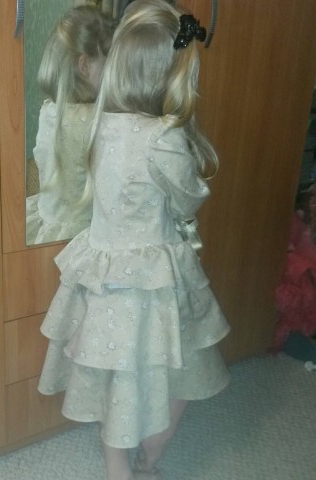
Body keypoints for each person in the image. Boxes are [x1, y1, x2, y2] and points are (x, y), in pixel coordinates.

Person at [37, 1, 230, 479]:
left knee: (118, 378)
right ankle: (150, 457)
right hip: (153, 279)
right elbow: (187, 200)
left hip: (105, 278)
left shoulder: (98, 122)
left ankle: (118, 466)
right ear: (175, 77)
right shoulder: (164, 138)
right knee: (187, 366)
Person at [25, 5, 115, 245]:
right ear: (84, 66)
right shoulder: (98, 121)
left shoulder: (49, 110)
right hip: (81, 232)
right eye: (108, 64)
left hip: (49, 219)